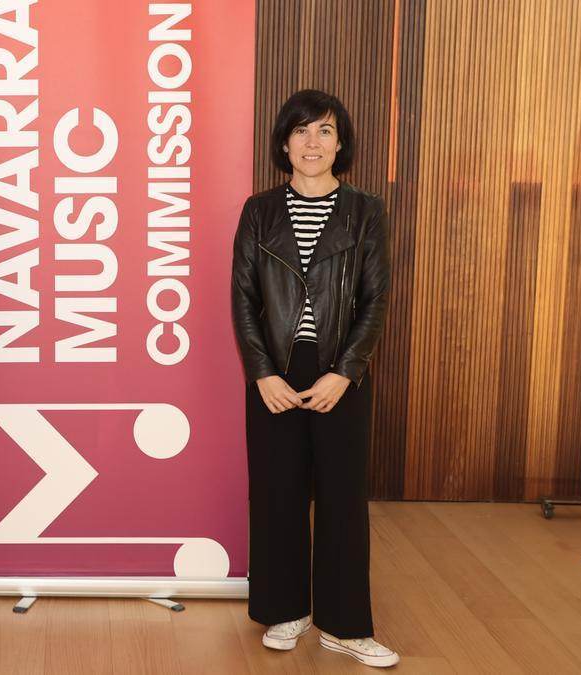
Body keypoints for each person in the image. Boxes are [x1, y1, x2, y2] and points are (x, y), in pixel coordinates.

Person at [230, 89, 398, 668]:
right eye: (301, 131)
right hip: (276, 371)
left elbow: (375, 301)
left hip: (340, 373)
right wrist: (261, 373)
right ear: (284, 142)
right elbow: (244, 300)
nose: (312, 142)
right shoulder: (260, 210)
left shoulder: (365, 210)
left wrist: (346, 373)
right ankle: (285, 611)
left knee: (343, 501)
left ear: (341, 142)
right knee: (276, 494)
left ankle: (345, 625)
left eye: (325, 131)